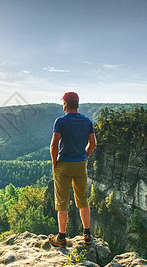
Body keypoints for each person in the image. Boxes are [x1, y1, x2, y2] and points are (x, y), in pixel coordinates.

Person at [48, 91, 97, 247]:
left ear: (66, 104)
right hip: (80, 164)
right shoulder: (87, 121)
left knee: (62, 201)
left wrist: (54, 162)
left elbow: (54, 144)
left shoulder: (60, 121)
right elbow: (93, 143)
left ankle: (61, 238)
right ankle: (87, 235)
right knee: (83, 199)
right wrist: (85, 157)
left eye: (63, 102)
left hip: (63, 164)